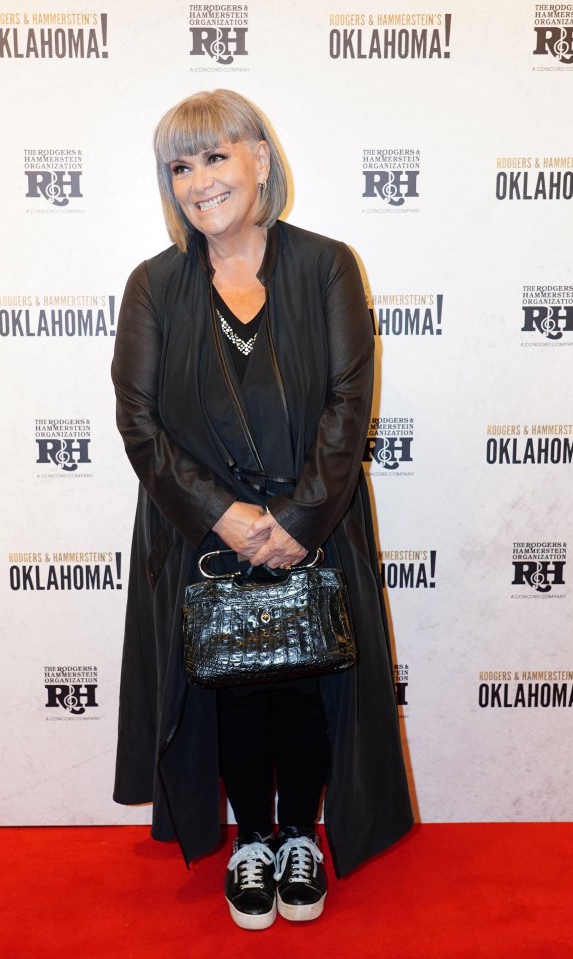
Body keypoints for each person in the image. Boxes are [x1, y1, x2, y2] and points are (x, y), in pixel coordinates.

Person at [111, 88, 413, 931]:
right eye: (180, 165)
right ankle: (251, 838)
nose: (199, 180)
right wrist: (228, 518)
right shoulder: (153, 286)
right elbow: (138, 422)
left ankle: (297, 839)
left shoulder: (325, 266)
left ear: (260, 161)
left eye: (215, 155)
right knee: (232, 687)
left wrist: (299, 520)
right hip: (198, 538)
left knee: (311, 678)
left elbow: (350, 403)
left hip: (317, 527)